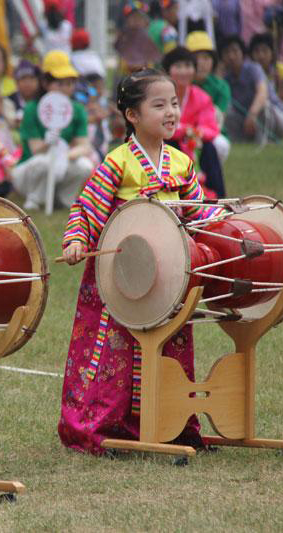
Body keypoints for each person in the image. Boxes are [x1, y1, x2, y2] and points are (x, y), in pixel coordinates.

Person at [58, 68, 219, 455]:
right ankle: (100, 428)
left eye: (175, 103)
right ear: (132, 115)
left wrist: (227, 223)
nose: (170, 112)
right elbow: (87, 208)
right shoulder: (117, 163)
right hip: (121, 278)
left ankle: (171, 425)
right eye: (158, 104)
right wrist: (77, 240)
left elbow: (198, 213)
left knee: (170, 347)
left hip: (167, 279)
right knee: (113, 350)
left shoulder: (180, 163)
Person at [11, 50, 93, 211]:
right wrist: (49, 143)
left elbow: (84, 146)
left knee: (84, 165)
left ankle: (63, 199)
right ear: (45, 83)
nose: (65, 88)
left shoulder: (76, 109)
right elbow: (35, 150)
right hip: (28, 171)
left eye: (69, 83)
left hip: (59, 168)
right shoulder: (32, 108)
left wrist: (66, 156)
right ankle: (34, 199)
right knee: (44, 162)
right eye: (59, 83)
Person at [162, 46, 226, 197]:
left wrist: (195, 133)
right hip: (167, 142)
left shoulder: (201, 97)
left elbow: (211, 128)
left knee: (210, 148)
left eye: (188, 66)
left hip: (194, 143)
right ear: (168, 70)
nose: (184, 71)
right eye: (178, 66)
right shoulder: (160, 95)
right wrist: (184, 130)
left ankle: (219, 199)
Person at [185, 31, 231, 162]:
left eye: (206, 58)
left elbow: (217, 119)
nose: (201, 63)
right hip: (181, 132)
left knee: (220, 145)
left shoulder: (221, 87)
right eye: (196, 57)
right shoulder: (179, 83)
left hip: (209, 133)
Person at [220, 36, 270, 143]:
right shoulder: (226, 78)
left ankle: (262, 143)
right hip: (245, 120)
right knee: (226, 113)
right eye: (227, 52)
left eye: (235, 51)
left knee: (263, 107)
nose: (231, 56)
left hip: (274, 117)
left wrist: (252, 114)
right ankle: (238, 141)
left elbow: (262, 93)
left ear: (242, 53)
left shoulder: (254, 68)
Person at [249, 32, 283, 141]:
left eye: (265, 51)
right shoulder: (250, 72)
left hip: (278, 111)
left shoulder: (280, 69)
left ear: (272, 53)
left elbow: (282, 98)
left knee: (265, 106)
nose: (261, 56)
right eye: (257, 51)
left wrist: (279, 82)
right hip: (259, 115)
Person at [7, 60, 41, 124]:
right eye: (23, 78)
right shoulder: (8, 101)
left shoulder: (42, 100)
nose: (27, 83)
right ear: (16, 82)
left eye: (31, 78)